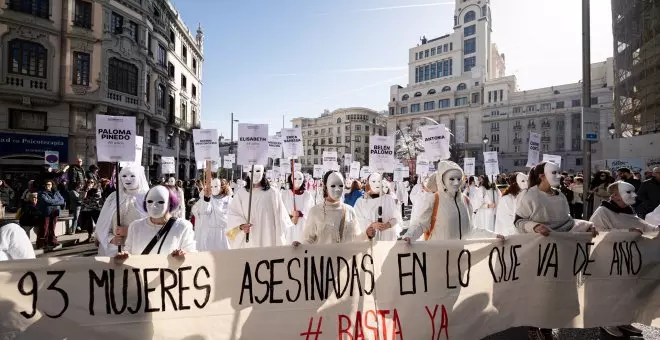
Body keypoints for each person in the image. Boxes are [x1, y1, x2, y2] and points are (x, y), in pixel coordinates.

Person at [516, 162, 596, 340]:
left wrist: (586, 225)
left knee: (555, 291)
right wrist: (534, 226)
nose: (559, 176)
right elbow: (519, 222)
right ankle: (533, 325)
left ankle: (547, 324)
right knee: (539, 290)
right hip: (538, 253)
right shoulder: (527, 195)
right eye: (554, 172)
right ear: (541, 176)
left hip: (561, 253)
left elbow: (568, 223)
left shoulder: (560, 196)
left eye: (559, 172)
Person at [589, 181, 654, 338]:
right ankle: (607, 321)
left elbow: (643, 226)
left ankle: (623, 320)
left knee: (627, 292)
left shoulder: (629, 211)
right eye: (629, 192)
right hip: (609, 261)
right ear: (615, 196)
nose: (634, 195)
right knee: (611, 292)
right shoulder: (602, 212)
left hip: (628, 260)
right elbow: (597, 234)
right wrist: (626, 231)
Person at [402, 161, 502, 242]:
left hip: (461, 260)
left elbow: (471, 230)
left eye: (459, 179)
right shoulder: (433, 200)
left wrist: (493, 235)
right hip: (437, 258)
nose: (456, 182)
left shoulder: (466, 201)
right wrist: (409, 236)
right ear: (443, 180)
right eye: (452, 179)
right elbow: (420, 225)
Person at [293, 171, 374, 245]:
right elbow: (309, 239)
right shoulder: (315, 212)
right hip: (323, 260)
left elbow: (356, 238)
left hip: (344, 259)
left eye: (340, 185)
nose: (337, 189)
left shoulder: (350, 211)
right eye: (333, 185)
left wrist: (366, 235)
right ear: (326, 187)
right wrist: (301, 247)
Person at [115, 185, 195, 259]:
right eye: (150, 201)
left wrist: (184, 255)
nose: (154, 206)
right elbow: (129, 252)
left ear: (170, 203)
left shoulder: (183, 227)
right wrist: (124, 257)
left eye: (160, 202)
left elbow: (192, 255)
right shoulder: (135, 226)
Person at [226, 165, 293, 248]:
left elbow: (281, 219)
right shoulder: (241, 193)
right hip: (249, 240)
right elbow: (232, 215)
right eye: (251, 171)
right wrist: (241, 226)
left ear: (263, 172)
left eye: (257, 171)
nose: (254, 174)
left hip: (268, 239)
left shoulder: (273, 193)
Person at [95, 165, 150, 257]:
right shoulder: (113, 198)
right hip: (114, 249)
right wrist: (110, 238)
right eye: (124, 176)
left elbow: (156, 225)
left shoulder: (148, 198)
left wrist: (130, 231)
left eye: (132, 176)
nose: (128, 179)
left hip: (138, 250)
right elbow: (103, 222)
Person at [354, 172, 402, 241]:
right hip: (369, 242)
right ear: (368, 184)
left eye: (379, 181)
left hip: (387, 239)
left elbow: (397, 218)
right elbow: (357, 221)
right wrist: (371, 226)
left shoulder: (389, 199)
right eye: (373, 181)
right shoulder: (361, 202)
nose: (376, 184)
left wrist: (388, 225)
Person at [193, 178, 232, 251]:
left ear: (222, 187)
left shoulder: (229, 199)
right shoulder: (208, 198)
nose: (213, 188)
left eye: (216, 186)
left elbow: (232, 214)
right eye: (211, 186)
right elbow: (205, 211)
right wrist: (206, 200)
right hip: (210, 232)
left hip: (224, 232)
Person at [281, 171, 313, 244]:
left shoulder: (307, 195)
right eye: (295, 178)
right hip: (289, 225)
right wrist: (290, 215)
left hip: (303, 226)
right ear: (291, 180)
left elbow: (311, 211)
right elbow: (281, 211)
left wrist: (300, 214)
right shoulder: (285, 194)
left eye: (300, 178)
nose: (297, 181)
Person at [36, 180, 65, 251]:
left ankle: (52, 241)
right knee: (44, 228)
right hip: (46, 212)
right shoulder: (41, 193)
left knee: (52, 228)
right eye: (46, 184)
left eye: (49, 184)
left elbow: (62, 201)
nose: (47, 186)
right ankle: (41, 244)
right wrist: (56, 201)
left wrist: (53, 201)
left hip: (55, 212)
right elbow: (46, 201)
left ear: (52, 185)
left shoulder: (56, 192)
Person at [79, 179, 102, 243]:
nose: (90, 183)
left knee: (98, 223)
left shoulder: (97, 189)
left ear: (94, 183)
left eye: (91, 182)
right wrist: (86, 190)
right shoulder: (84, 189)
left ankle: (100, 237)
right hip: (86, 209)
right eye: (88, 182)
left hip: (95, 209)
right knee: (88, 224)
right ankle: (90, 236)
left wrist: (90, 192)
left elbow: (97, 197)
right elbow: (82, 197)